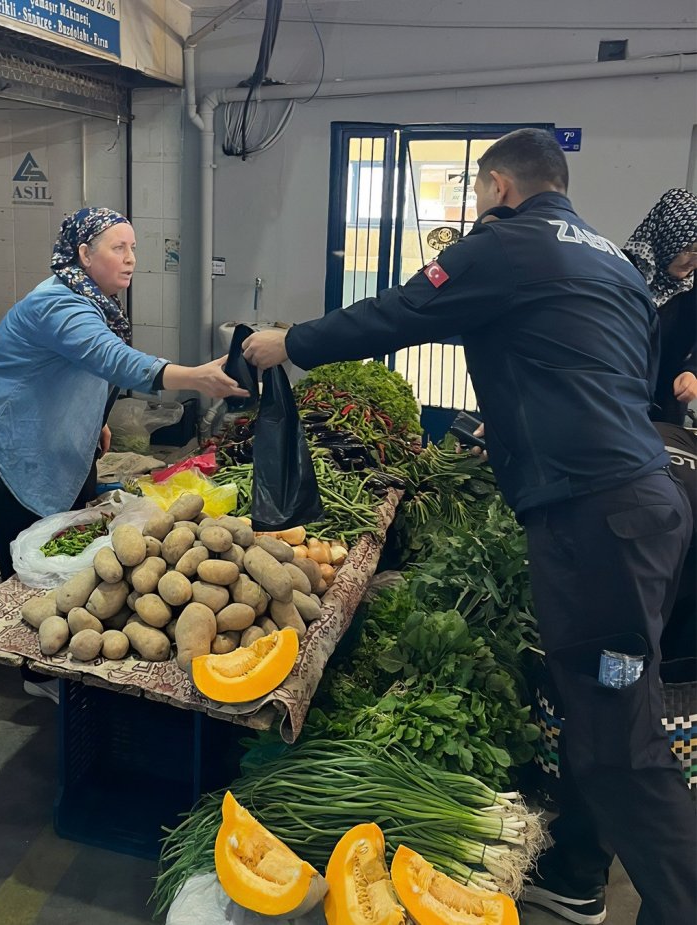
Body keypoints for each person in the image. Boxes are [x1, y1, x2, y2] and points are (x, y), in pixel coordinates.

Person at [242, 129, 696, 925]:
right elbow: (610, 379)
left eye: (479, 192)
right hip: (640, 506)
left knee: (621, 739)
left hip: (596, 523)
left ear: (497, 187)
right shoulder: (617, 266)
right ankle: (579, 878)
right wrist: (514, 429)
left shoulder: (506, 242)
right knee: (597, 704)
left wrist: (289, 342)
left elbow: (399, 311)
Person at [0, 207, 247, 701]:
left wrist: (96, 419)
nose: (131, 258)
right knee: (30, 563)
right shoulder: (57, 304)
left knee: (73, 546)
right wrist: (196, 377)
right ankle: (37, 673)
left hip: (56, 438)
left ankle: (65, 654)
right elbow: (111, 358)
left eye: (133, 247)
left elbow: (82, 367)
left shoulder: (91, 300)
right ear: (84, 254)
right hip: (11, 442)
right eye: (119, 248)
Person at [623, 188, 697, 425]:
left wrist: (692, 371)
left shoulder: (693, 283)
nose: (694, 260)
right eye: (689, 249)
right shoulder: (624, 272)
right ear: (668, 237)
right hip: (621, 397)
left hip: (667, 401)